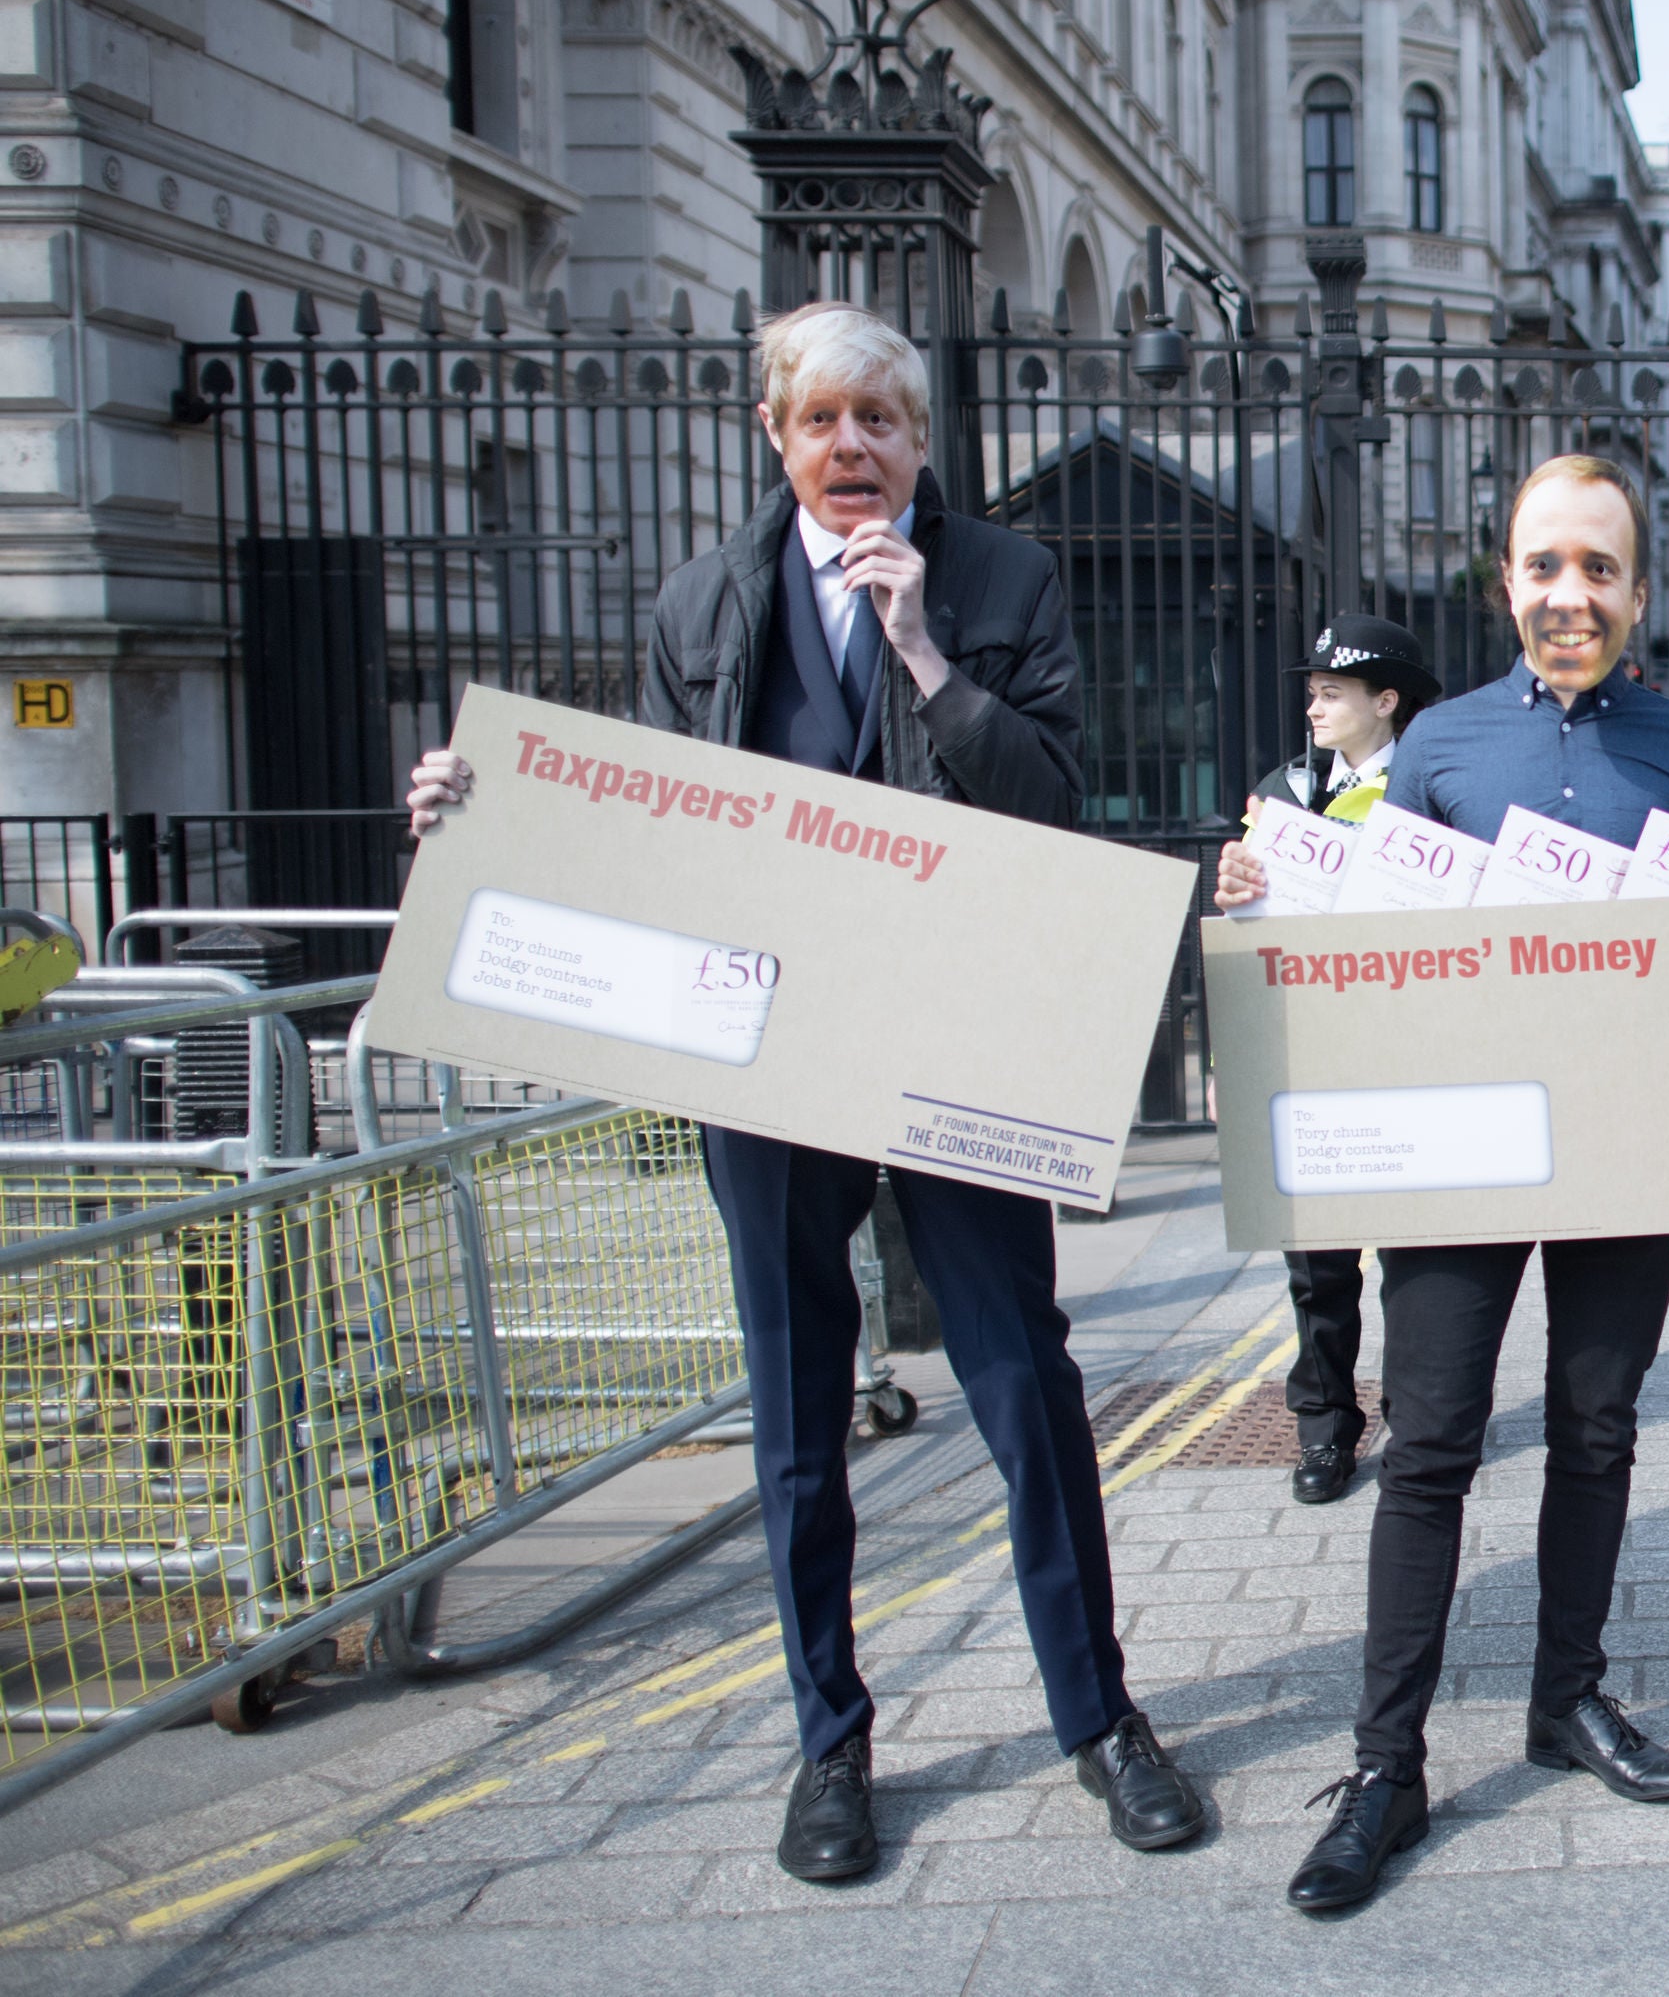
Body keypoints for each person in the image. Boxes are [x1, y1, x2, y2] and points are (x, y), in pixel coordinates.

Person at [403, 303, 1205, 1882]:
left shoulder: (999, 581)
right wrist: (476, 809)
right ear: (777, 436)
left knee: (1021, 1380)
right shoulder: (704, 599)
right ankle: (830, 1742)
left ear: (921, 441)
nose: (855, 448)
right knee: (795, 1411)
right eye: (824, 420)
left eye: (883, 422)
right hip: (763, 1052)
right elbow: (639, 817)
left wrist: (923, 655)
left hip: (950, 1034)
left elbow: (1052, 796)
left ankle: (1099, 1715)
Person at [1215, 453, 1669, 1913]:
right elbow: (1365, 931)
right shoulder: (1443, 746)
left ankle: (1565, 1698)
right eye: (1544, 566)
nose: (1568, 593)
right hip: (1465, 1148)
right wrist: (1267, 896)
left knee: (1597, 1424)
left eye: (1597, 567)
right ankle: (1385, 1764)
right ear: (1506, 583)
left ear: (1638, 590)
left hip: (1630, 1139)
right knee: (1434, 1442)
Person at [1243, 614, 1441, 1509]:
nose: (1313, 706)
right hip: (1306, 1047)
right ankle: (1324, 1428)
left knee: (1411, 1254)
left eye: (1332, 692)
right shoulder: (1279, 792)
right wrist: (1235, 882)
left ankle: (1416, 1410)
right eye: (1311, 691)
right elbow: (1248, 914)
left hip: (1405, 1046)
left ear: (1385, 701)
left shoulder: (1432, 790)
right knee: (1314, 1263)